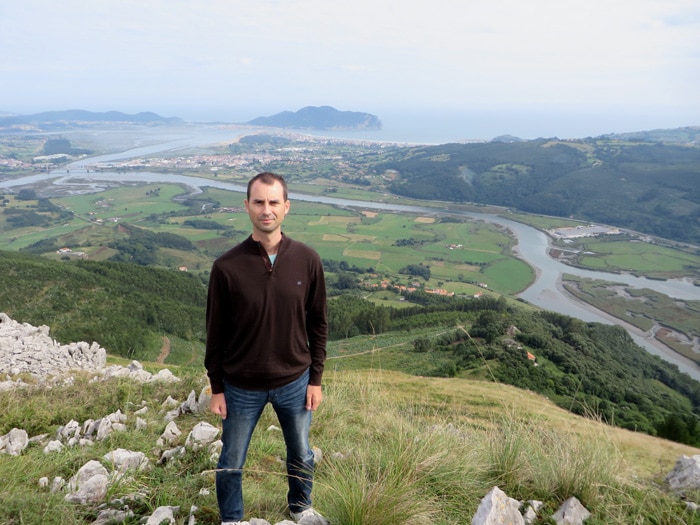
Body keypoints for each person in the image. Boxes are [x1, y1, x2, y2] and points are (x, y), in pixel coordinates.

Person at [205, 172, 329, 525]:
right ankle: (232, 519)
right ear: (246, 206)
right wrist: (217, 388)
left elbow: (318, 323)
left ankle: (300, 507)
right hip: (240, 385)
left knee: (302, 453)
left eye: (274, 202)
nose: (266, 209)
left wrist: (315, 379)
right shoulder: (226, 267)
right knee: (231, 460)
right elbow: (215, 331)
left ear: (286, 207)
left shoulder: (308, 259)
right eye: (259, 202)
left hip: (295, 380)